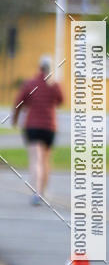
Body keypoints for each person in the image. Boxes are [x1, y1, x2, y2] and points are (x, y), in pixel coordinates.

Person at [12, 56, 64, 205]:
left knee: (36, 159)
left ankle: (37, 192)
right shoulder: (55, 85)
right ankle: (43, 191)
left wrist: (15, 119)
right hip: (50, 128)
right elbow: (61, 100)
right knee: (46, 160)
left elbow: (18, 103)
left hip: (33, 126)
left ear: (39, 67)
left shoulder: (30, 84)